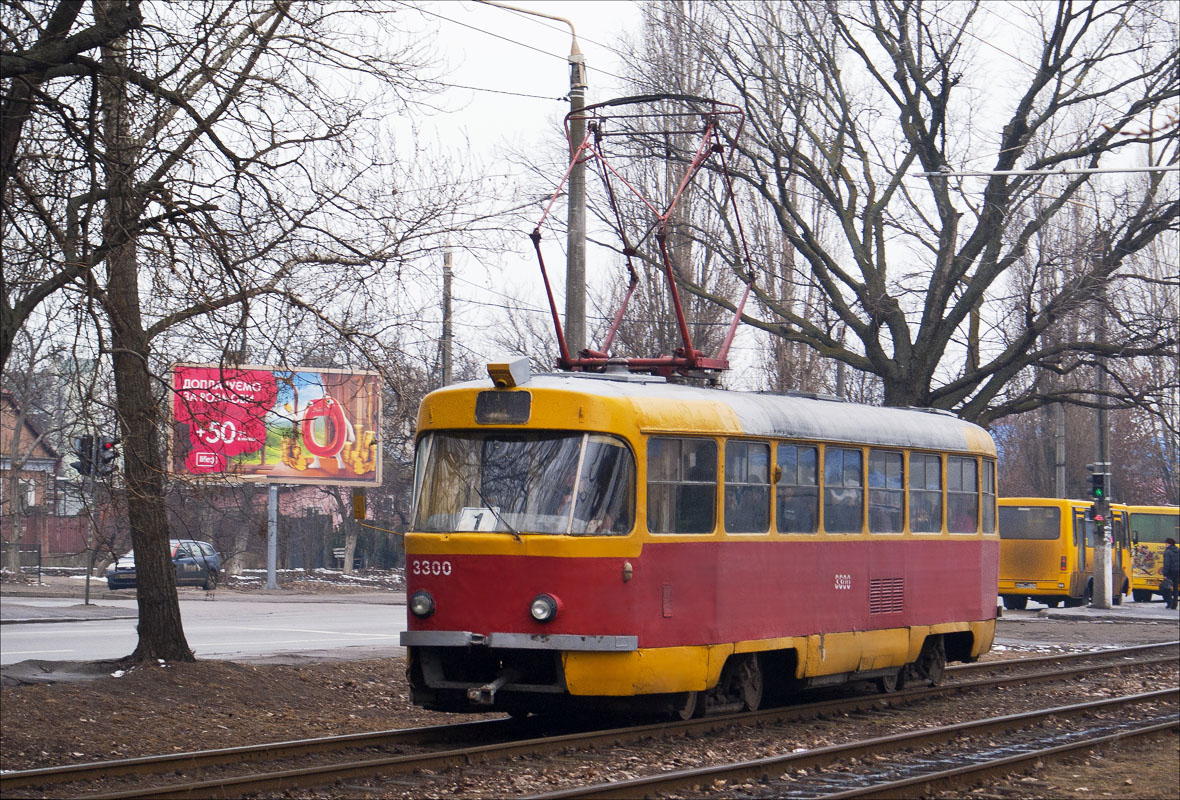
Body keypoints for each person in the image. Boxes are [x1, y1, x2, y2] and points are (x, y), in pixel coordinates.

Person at [1161, 537, 1180, 610]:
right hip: (1177, 572)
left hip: (1170, 573)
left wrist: (1165, 573)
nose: (1165, 545)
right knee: (1175, 589)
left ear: (1168, 544)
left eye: (1166, 543)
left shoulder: (1167, 552)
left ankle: (1169, 602)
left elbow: (1167, 564)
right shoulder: (1178, 550)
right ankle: (1175, 604)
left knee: (1165, 587)